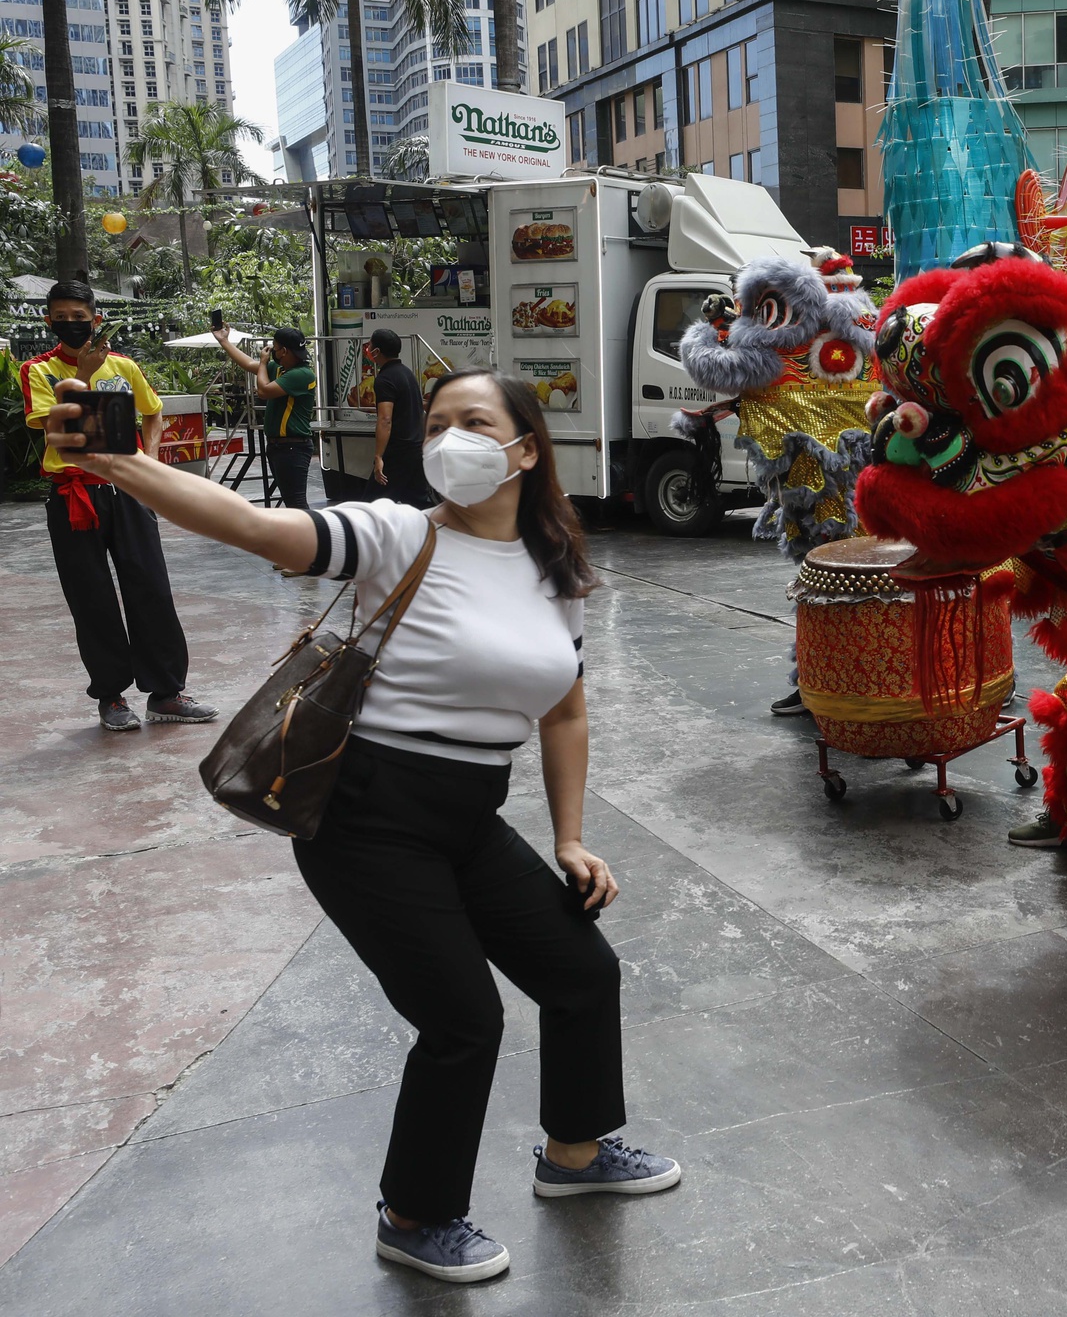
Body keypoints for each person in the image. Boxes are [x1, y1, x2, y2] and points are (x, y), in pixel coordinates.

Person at [36, 368, 681, 1283]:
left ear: (527, 449)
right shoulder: (394, 532)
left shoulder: (556, 572)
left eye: (476, 421)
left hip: (466, 816)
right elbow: (259, 525)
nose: (451, 436)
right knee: (464, 1018)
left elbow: (566, 711)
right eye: (439, 422)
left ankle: (574, 1155)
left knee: (581, 970)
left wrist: (570, 838)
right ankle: (416, 1215)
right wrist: (121, 463)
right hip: (365, 815)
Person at [25, 280, 216, 732]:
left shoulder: (125, 366)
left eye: (80, 317)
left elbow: (153, 411)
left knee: (150, 586)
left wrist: (148, 462)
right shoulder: (37, 371)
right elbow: (56, 425)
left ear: (97, 318)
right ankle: (111, 697)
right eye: (61, 317)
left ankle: (167, 693)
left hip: (127, 490)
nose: (71, 325)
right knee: (91, 597)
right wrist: (87, 377)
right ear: (48, 320)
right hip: (74, 497)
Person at [215, 323, 318, 510]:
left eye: (275, 348)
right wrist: (224, 341)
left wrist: (263, 362)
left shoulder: (302, 375)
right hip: (280, 446)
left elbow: (263, 391)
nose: (273, 352)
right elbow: (247, 363)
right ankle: (303, 538)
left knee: (297, 503)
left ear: (284, 351)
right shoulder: (281, 370)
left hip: (293, 446)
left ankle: (316, 538)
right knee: (292, 502)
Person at [367, 327, 433, 506]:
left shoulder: (385, 379)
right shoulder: (407, 373)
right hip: (416, 448)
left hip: (398, 452)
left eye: (370, 346)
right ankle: (431, 531)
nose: (368, 349)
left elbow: (385, 420)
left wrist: (379, 457)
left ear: (377, 351)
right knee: (417, 503)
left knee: (374, 505)